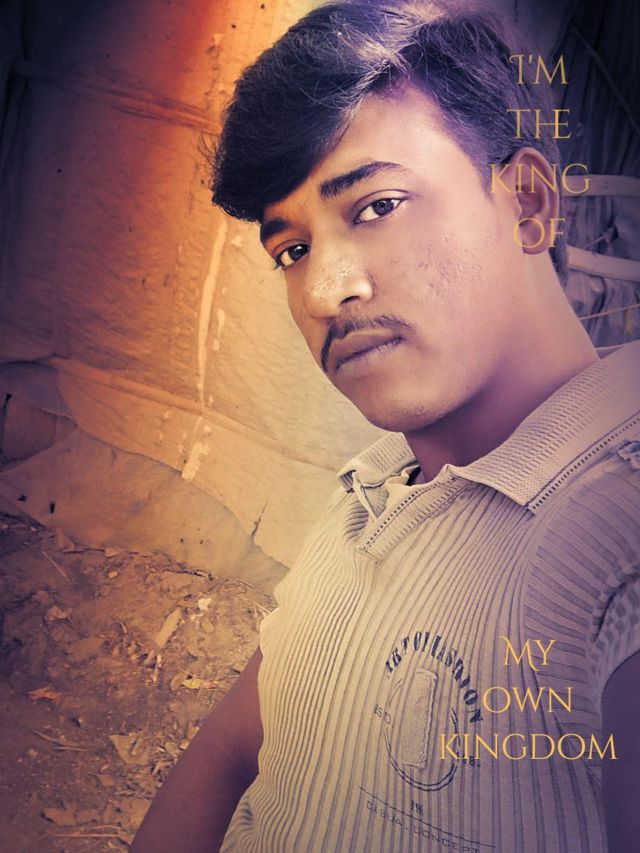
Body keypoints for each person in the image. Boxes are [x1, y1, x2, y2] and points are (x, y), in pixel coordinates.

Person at [132, 2, 640, 851]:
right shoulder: (376, 488)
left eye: (377, 206)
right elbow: (231, 750)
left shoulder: (614, 529)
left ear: (526, 203)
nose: (324, 291)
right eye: (291, 250)